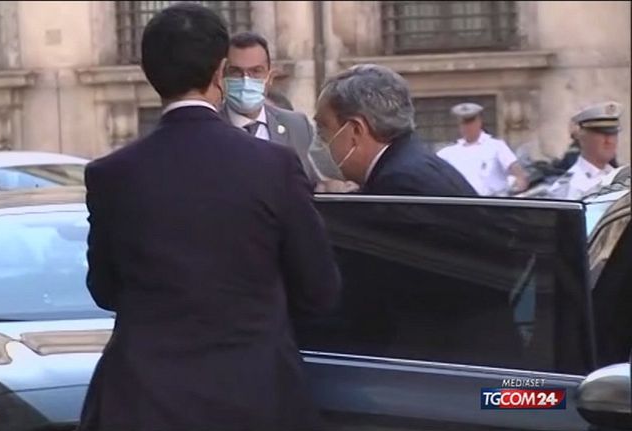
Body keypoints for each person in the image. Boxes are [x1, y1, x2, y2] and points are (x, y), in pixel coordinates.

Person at [78, 4, 341, 431]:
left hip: (143, 401)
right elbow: (319, 289)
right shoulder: (273, 166)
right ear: (220, 73)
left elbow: (105, 289)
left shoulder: (112, 175)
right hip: (255, 396)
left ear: (149, 73)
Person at [308, 64, 477, 196]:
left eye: (322, 128)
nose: (318, 140)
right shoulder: (409, 164)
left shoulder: (399, 183)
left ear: (356, 130)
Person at [222, 31, 319, 182]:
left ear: (270, 76)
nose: (246, 80)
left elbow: (314, 181)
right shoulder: (209, 126)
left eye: (256, 71)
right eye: (236, 72)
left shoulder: (298, 126)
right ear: (222, 75)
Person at [436, 103, 529, 196]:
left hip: (493, 201)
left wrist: (517, 192)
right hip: (463, 201)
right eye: (463, 123)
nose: (467, 126)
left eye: (471, 121)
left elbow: (519, 175)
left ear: (479, 122)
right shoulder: (449, 153)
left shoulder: (496, 146)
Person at [549, 101, 622, 200]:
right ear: (582, 138)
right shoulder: (567, 188)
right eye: (602, 134)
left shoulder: (621, 178)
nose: (609, 141)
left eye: (613, 134)